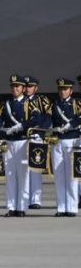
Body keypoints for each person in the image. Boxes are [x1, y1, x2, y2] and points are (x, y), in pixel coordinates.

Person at [0, 75, 29, 217]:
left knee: (22, 176)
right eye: (13, 86)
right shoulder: (7, 104)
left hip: (22, 141)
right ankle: (11, 207)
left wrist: (21, 126)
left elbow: (37, 119)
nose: (15, 89)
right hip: (9, 142)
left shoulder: (29, 103)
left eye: (17, 86)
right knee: (10, 175)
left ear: (23, 88)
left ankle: (21, 207)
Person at [51, 78, 80, 217]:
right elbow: (48, 119)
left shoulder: (77, 103)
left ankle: (72, 207)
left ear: (71, 91)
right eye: (60, 89)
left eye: (65, 89)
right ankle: (61, 207)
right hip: (57, 141)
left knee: (71, 177)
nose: (62, 91)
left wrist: (70, 124)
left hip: (71, 141)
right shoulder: (55, 104)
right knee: (59, 176)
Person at [23, 76, 52, 209]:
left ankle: (35, 200)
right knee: (24, 171)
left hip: (36, 137)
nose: (27, 89)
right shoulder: (20, 100)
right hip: (22, 138)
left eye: (30, 86)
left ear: (36, 88)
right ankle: (24, 199)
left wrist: (40, 131)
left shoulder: (42, 100)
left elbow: (48, 118)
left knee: (35, 169)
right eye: (26, 86)